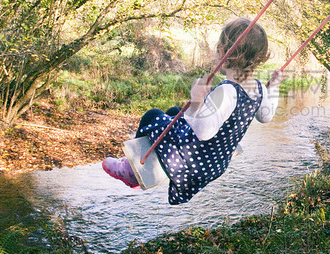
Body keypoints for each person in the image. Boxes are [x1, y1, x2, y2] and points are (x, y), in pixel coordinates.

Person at [102, 17, 284, 204]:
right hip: (216, 160)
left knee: (153, 116)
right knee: (174, 112)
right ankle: (144, 163)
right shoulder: (260, 88)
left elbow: (205, 132)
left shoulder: (227, 91)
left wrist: (197, 100)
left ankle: (133, 170)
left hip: (193, 161)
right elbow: (266, 116)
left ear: (222, 52)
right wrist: (275, 86)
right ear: (260, 57)